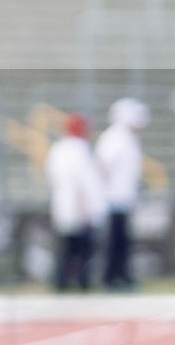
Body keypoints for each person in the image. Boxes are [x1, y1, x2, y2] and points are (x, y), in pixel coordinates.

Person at [46, 112, 105, 292]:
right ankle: (82, 282)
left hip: (63, 204)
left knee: (65, 247)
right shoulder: (79, 150)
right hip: (79, 206)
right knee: (81, 249)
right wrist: (85, 207)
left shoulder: (57, 149)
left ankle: (61, 282)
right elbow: (83, 181)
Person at [95, 97, 147, 291]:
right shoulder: (114, 138)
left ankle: (123, 276)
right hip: (113, 198)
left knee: (123, 240)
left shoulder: (128, 138)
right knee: (114, 241)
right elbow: (103, 167)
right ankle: (111, 277)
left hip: (124, 197)